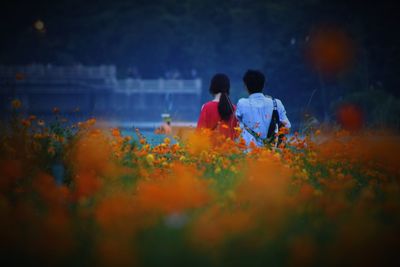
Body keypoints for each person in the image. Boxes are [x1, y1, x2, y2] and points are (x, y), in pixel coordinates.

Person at [236, 70, 291, 147]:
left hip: (248, 152)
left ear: (245, 86)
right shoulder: (276, 103)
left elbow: (236, 125)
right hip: (272, 152)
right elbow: (287, 126)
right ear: (263, 84)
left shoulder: (242, 103)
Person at [197, 73, 238, 139]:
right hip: (229, 148)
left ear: (212, 87)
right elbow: (236, 135)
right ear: (228, 88)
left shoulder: (206, 107)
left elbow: (199, 134)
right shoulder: (234, 109)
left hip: (209, 149)